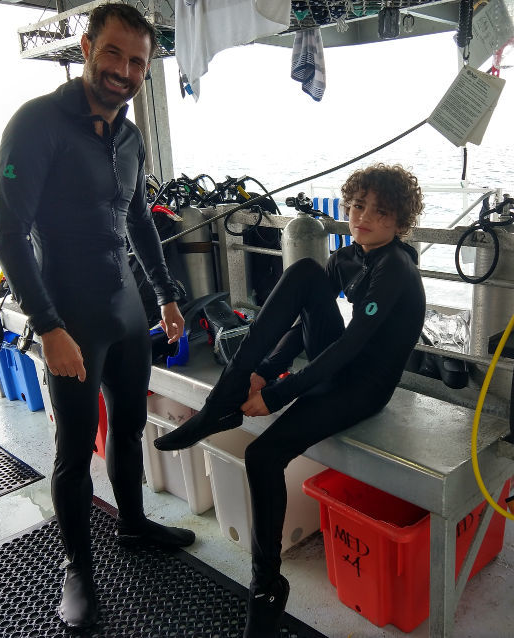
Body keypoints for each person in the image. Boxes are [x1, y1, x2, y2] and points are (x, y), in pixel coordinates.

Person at [155, 163, 426, 637]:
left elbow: (351, 345)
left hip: (364, 387)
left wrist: (279, 394)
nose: (362, 217)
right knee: (304, 273)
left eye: (379, 211)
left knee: (262, 455)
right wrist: (263, 372)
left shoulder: (397, 269)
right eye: (356, 205)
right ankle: (225, 398)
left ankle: (264, 587)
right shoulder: (350, 256)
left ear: (400, 221)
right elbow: (306, 326)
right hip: (335, 368)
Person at [0, 3, 195, 629]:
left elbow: (138, 220)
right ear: (86, 48)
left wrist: (165, 295)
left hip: (126, 310)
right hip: (70, 315)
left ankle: (132, 524)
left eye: (137, 62)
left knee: (129, 428)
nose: (124, 71)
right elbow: (7, 234)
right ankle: (77, 568)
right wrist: (48, 326)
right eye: (113, 53)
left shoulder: (131, 138)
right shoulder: (38, 124)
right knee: (74, 450)